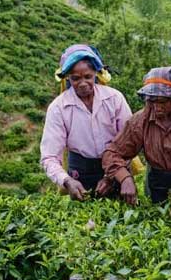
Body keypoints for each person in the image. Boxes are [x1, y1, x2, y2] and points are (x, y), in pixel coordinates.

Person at [102, 66, 171, 219]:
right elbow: (112, 153)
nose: (156, 107)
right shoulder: (140, 120)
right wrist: (125, 178)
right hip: (158, 183)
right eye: (151, 101)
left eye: (162, 101)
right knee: (158, 224)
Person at [40, 44, 132, 201]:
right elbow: (49, 157)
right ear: (68, 77)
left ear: (96, 73)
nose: (82, 83)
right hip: (79, 173)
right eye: (75, 78)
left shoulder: (114, 99)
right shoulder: (58, 108)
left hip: (116, 168)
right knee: (84, 220)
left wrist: (111, 177)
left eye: (88, 77)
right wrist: (67, 181)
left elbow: (129, 142)